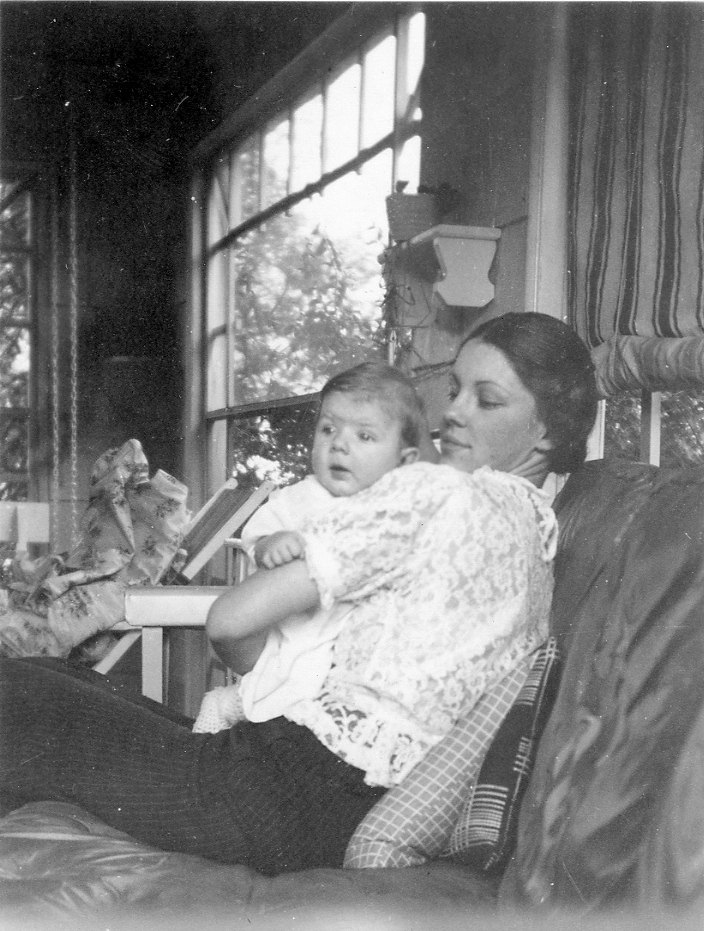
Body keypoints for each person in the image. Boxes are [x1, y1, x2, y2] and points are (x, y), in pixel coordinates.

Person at [0, 312, 597, 877]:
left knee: (16, 690)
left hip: (287, 793)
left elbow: (231, 620)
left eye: (486, 400)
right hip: (336, 802)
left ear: (546, 430)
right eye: (457, 389)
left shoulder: (443, 494)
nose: (453, 414)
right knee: (62, 679)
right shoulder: (536, 531)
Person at [193, 362, 426, 733]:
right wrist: (270, 544)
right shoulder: (302, 497)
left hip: (358, 657)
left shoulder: (401, 514)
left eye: (365, 437)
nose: (339, 444)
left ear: (405, 461)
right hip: (296, 635)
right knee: (272, 687)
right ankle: (226, 707)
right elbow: (258, 532)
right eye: (328, 429)